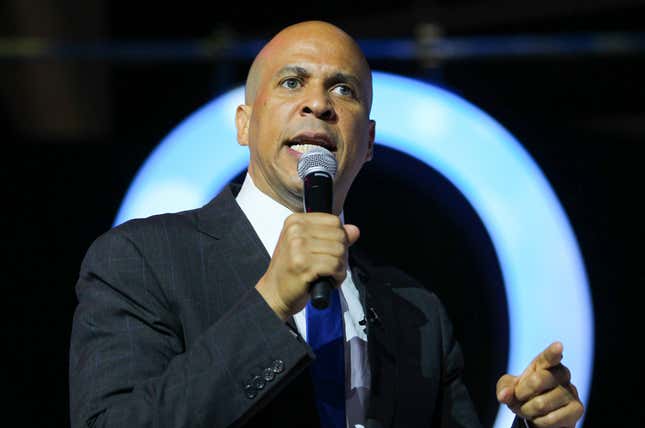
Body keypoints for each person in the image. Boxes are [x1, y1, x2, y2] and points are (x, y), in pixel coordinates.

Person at [69, 20, 584, 428]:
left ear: (370, 141)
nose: (318, 103)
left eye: (343, 90)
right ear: (244, 123)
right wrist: (271, 301)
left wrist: (534, 424)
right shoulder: (141, 259)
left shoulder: (418, 313)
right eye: (292, 82)